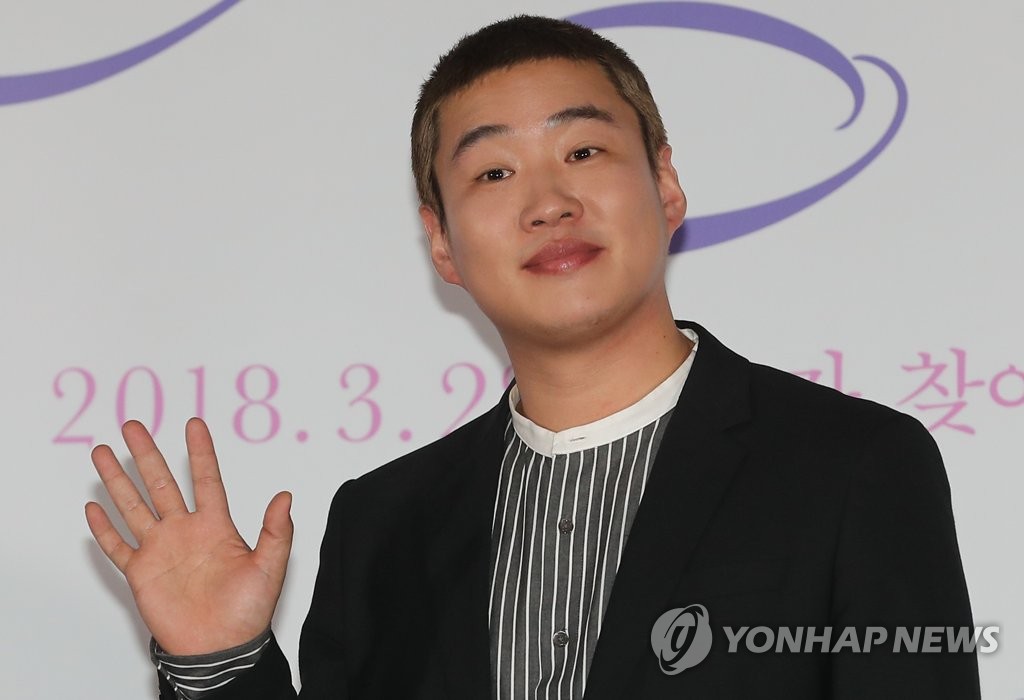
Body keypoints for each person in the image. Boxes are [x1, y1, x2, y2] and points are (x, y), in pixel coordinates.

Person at [86, 15, 981, 699]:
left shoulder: (854, 467)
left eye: (583, 150)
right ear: (442, 242)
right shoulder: (381, 526)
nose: (549, 202)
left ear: (666, 185)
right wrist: (220, 660)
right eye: (493, 173)